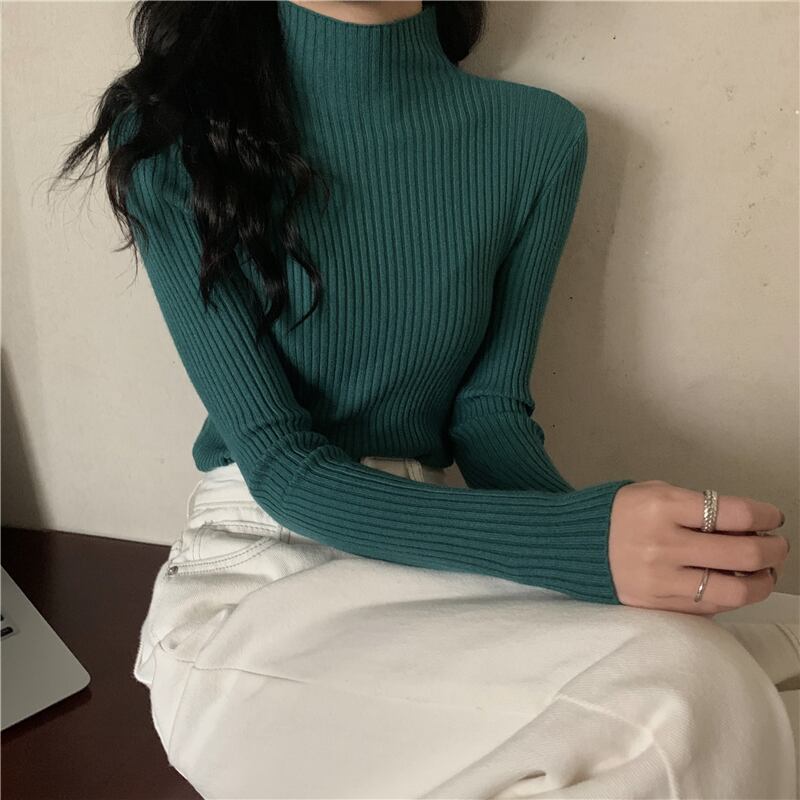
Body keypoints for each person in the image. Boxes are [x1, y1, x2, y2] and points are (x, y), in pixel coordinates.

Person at [53, 1, 794, 797]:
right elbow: (282, 465)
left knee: (775, 671)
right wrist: (584, 543)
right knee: (682, 705)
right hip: (261, 575)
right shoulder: (172, 133)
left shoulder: (538, 138)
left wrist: (615, 559)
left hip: (441, 553)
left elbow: (489, 414)